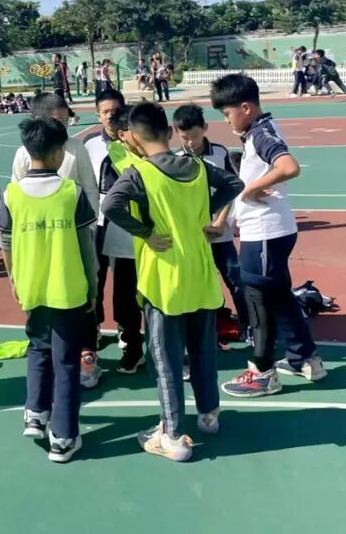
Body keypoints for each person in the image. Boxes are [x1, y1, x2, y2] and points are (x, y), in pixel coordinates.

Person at [102, 102, 243, 461]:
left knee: (165, 359)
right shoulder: (197, 165)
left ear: (134, 139)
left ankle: (174, 435)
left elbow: (110, 206)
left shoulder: (139, 173)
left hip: (163, 281)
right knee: (203, 350)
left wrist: (145, 232)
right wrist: (209, 215)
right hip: (200, 274)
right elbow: (234, 183)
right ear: (168, 132)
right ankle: (209, 415)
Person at [209, 73, 327, 397]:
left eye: (227, 113)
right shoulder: (260, 131)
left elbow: (288, 167)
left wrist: (251, 189)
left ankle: (262, 372)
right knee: (280, 296)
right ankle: (305, 359)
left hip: (264, 234)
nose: (226, 120)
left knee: (258, 300)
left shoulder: (261, 134)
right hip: (273, 231)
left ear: (245, 108)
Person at [0, 117, 98, 463]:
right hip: (67, 289)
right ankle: (64, 437)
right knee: (67, 361)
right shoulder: (72, 192)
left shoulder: (11, 194)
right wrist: (93, 286)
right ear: (58, 153)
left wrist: (14, 280)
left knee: (38, 347)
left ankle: (35, 412)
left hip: (31, 287)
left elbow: (5, 243)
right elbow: (86, 246)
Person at [84, 90, 146, 375]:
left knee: (126, 288)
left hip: (127, 226)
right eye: (106, 111)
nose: (111, 115)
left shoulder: (137, 144)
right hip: (96, 223)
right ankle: (93, 331)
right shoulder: (89, 145)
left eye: (116, 110)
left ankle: (131, 341)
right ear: (98, 115)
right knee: (93, 283)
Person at [172, 104, 249, 335]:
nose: (191, 142)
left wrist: (220, 222)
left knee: (235, 278)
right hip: (192, 237)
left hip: (219, 233)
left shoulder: (220, 153)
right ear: (176, 132)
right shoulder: (175, 160)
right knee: (199, 282)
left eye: (195, 136)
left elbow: (231, 190)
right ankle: (211, 325)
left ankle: (249, 324)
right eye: (185, 138)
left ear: (205, 128)